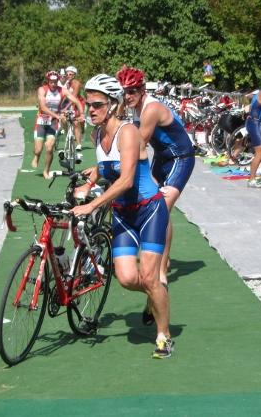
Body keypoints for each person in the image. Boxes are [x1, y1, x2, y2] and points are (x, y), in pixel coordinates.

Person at [71, 74, 174, 359]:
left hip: (149, 210)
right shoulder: (96, 134)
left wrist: (92, 205)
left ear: (113, 104)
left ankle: (164, 335)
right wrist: (89, 184)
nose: (91, 109)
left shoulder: (127, 132)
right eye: (88, 104)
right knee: (127, 278)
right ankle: (156, 293)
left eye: (97, 104)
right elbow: (106, 168)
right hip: (123, 214)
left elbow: (126, 180)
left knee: (149, 276)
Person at [117, 66, 194, 326]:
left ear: (142, 90)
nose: (128, 96)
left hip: (180, 159)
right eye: (124, 92)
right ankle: (160, 262)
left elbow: (138, 143)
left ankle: (161, 268)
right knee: (151, 202)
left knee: (161, 205)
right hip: (162, 158)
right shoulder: (133, 106)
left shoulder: (150, 109)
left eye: (132, 91)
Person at [33, 70, 84, 179]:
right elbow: (43, 107)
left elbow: (76, 101)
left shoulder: (63, 90)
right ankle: (36, 156)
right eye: (51, 82)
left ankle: (46, 171)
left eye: (55, 81)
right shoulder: (42, 90)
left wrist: (82, 114)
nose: (53, 84)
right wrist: (56, 115)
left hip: (53, 122)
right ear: (48, 81)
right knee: (38, 149)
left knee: (49, 148)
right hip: (41, 120)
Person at [62, 66, 86, 150]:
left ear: (74, 75)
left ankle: (79, 144)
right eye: (67, 74)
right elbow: (65, 95)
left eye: (70, 74)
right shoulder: (67, 83)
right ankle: (68, 134)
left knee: (76, 122)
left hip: (79, 103)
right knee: (64, 119)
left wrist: (66, 108)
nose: (68, 75)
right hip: (70, 102)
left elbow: (74, 98)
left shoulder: (76, 83)